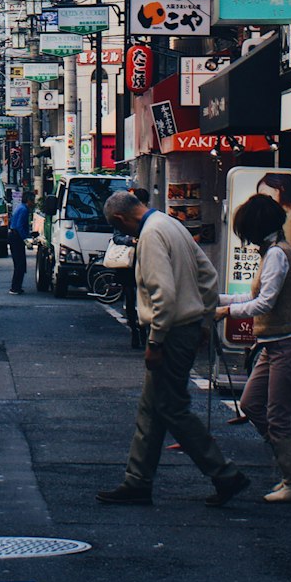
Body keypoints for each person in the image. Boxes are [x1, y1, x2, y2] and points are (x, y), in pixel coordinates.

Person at [97, 190, 249, 508]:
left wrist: (155, 341)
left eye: (119, 227)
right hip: (187, 326)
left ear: (121, 219)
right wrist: (205, 321)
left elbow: (162, 293)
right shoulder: (171, 224)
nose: (123, 233)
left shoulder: (150, 236)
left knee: (171, 407)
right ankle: (137, 480)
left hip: (170, 331)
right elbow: (208, 275)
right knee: (152, 408)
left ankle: (224, 473)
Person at [215, 191, 291, 503]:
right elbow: (252, 296)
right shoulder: (272, 251)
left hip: (288, 343)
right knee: (251, 404)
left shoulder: (277, 255)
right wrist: (217, 300)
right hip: (273, 345)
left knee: (276, 416)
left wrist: (225, 310)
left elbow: (264, 303)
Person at [119, 184, 150, 351]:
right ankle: (135, 332)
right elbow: (116, 237)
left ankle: (144, 332)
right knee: (131, 299)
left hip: (145, 264)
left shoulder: (152, 219)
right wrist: (130, 241)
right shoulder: (126, 217)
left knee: (145, 299)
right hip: (129, 265)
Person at [8, 189, 35, 295]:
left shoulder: (21, 207)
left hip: (14, 236)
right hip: (16, 237)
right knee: (20, 264)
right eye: (32, 200)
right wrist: (25, 239)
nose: (33, 203)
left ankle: (17, 286)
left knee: (19, 263)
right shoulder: (24, 210)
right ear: (28, 200)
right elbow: (19, 226)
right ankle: (15, 287)